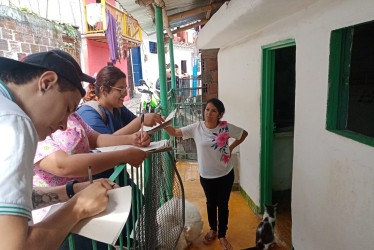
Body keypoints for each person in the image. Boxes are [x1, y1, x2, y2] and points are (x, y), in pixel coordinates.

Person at [0, 49, 116, 249]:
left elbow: (17, 198)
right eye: (67, 109)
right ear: (46, 83)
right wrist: (77, 208)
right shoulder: (14, 121)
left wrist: (72, 191)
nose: (64, 125)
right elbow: (14, 246)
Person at [33, 111, 149, 249]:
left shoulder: (72, 115)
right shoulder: (35, 124)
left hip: (87, 204)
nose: (64, 124)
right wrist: (124, 155)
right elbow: (62, 165)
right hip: (58, 219)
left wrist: (131, 139)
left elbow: (97, 139)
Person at [163, 98, 248, 250]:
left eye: (213, 111)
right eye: (207, 109)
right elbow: (175, 132)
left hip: (225, 174)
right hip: (206, 176)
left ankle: (222, 235)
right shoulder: (197, 128)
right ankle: (213, 230)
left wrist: (232, 147)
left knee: (222, 205)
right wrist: (164, 124)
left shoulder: (225, 127)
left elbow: (243, 134)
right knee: (210, 203)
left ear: (220, 114)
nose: (208, 113)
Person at [77, 65, 164, 181]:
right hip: (101, 180)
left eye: (125, 89)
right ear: (103, 90)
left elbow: (136, 126)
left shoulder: (118, 108)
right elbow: (104, 141)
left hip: (119, 175)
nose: (125, 94)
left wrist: (143, 135)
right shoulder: (88, 113)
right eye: (120, 89)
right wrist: (140, 121)